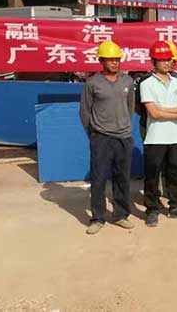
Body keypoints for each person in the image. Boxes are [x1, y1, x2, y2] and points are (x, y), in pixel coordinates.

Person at [79, 40, 135, 235]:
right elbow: (85, 112)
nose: (114, 63)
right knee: (99, 179)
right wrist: (94, 134)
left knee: (122, 178)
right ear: (101, 61)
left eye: (117, 59)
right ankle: (98, 218)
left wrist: (123, 126)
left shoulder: (127, 81)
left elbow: (130, 107)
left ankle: (121, 215)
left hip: (124, 137)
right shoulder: (92, 83)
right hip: (101, 138)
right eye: (110, 60)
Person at [141, 41, 177, 227]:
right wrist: (174, 113)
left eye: (169, 59)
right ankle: (152, 209)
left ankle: (176, 206)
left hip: (175, 136)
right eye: (162, 60)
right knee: (152, 174)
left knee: (176, 172)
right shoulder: (146, 83)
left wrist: (163, 109)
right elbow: (153, 113)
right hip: (155, 137)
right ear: (153, 62)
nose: (167, 63)